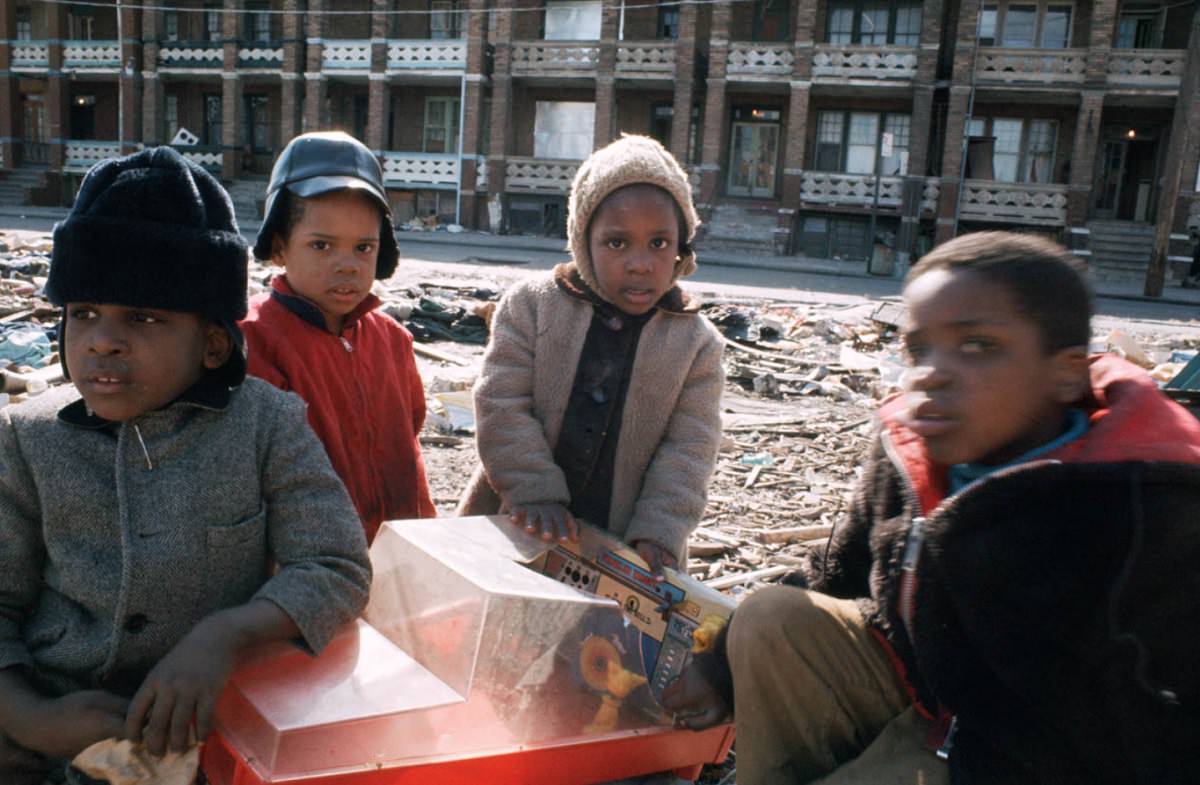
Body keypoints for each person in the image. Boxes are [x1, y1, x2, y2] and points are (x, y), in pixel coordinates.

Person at [663, 231, 1200, 784]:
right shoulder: (911, 452)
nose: (932, 373)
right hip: (932, 707)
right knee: (773, 616)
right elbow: (836, 574)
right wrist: (718, 668)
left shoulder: (1132, 506)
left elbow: (1157, 733)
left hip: (1032, 759)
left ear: (1066, 373)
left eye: (977, 346)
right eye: (919, 349)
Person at [0, 147, 372, 784]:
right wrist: (31, 716)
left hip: (213, 728)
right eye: (83, 313)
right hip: (43, 725)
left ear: (213, 344)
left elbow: (336, 567)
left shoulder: (268, 425)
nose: (102, 340)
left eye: (143, 317)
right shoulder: (26, 437)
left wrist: (223, 637)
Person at [457, 135, 724, 575]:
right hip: (519, 520)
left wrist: (659, 531)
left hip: (627, 547)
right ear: (583, 240)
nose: (640, 263)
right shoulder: (531, 305)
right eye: (617, 243)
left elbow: (689, 450)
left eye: (659, 243)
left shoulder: (696, 344)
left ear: (682, 246)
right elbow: (501, 402)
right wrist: (533, 490)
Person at [241, 131, 435, 543]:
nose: (347, 266)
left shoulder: (393, 340)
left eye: (363, 248)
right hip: (310, 567)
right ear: (279, 248)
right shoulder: (255, 339)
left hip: (404, 550)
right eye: (322, 245)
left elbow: (412, 434)